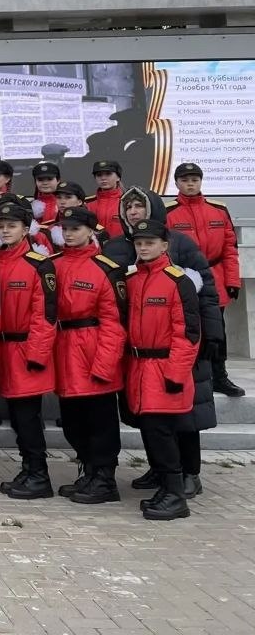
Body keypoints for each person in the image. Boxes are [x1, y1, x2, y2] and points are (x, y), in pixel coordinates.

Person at [104, 186, 222, 499]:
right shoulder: (115, 247)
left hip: (180, 347)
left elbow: (206, 290)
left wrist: (213, 333)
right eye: (128, 207)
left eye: (139, 206)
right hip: (140, 351)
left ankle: (189, 473)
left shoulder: (180, 242)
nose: (133, 212)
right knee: (150, 415)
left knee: (185, 416)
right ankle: (160, 468)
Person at [124, 218, 201, 520]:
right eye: (139, 243)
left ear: (164, 245)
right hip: (140, 368)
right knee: (150, 430)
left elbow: (188, 334)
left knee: (162, 432)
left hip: (164, 368)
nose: (143, 248)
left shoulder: (178, 282)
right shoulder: (133, 280)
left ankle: (176, 496)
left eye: (150, 243)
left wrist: (176, 374)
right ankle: (166, 488)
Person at [50, 206, 125, 504]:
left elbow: (114, 323)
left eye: (76, 229)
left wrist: (105, 365)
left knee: (101, 422)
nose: (69, 234)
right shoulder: (53, 264)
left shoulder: (106, 269)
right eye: (65, 228)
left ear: (91, 231)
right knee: (73, 422)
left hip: (93, 350)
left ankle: (105, 479)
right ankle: (89, 471)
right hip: (64, 349)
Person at [0, 200, 58, 500]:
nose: (5, 231)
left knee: (28, 417)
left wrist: (37, 355)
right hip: (3, 350)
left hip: (26, 351)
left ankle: (39, 475)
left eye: (12, 226)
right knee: (17, 417)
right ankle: (28, 469)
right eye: (1, 226)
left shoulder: (39, 265)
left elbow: (46, 315)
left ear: (26, 229)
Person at [166, 162, 244, 396]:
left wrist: (232, 281)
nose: (190, 184)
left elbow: (230, 248)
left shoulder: (218, 209)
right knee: (186, 329)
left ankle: (220, 377)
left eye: (195, 180)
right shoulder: (168, 213)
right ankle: (189, 376)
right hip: (183, 278)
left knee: (216, 328)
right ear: (176, 183)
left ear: (201, 181)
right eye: (185, 180)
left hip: (215, 278)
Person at [87, 159, 126, 238]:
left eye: (108, 174)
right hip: (96, 245)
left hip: (121, 245)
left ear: (118, 177)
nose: (103, 178)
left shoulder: (127, 202)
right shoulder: (88, 204)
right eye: (99, 175)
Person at [30, 161, 62, 227]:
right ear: (35, 182)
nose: (45, 183)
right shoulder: (29, 206)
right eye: (40, 180)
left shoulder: (67, 202)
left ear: (58, 180)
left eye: (50, 179)